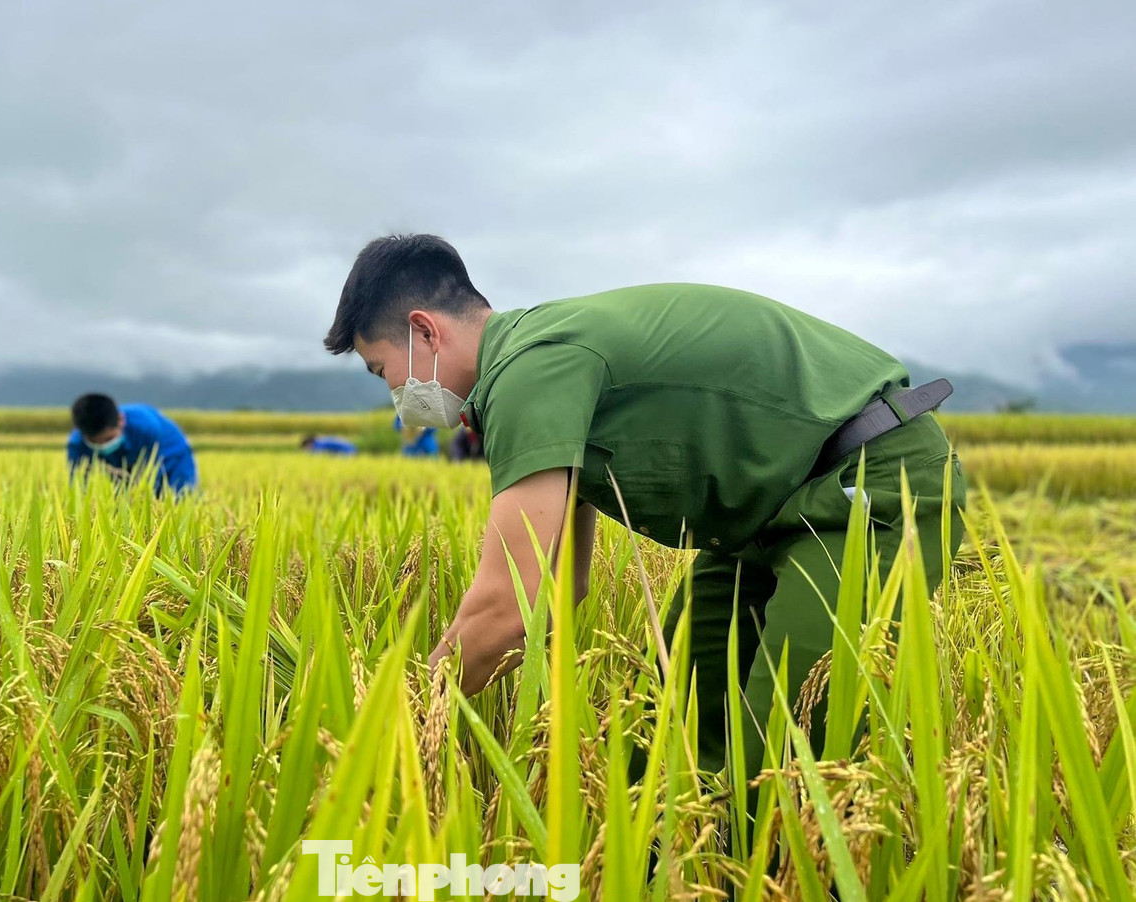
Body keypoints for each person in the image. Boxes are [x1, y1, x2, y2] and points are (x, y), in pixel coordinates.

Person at [323, 233, 966, 776]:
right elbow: (559, 589)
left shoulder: (532, 369)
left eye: (383, 371)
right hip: (766, 514)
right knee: (669, 729)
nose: (396, 397)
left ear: (424, 331)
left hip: (869, 478)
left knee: (782, 749)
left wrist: (400, 725)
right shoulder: (527, 370)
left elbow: (507, 605)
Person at [67, 394, 197, 496]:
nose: (103, 446)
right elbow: (78, 485)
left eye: (109, 439)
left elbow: (151, 474)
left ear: (121, 421)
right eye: (96, 442)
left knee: (179, 494)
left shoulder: (145, 428)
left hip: (170, 454)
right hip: (127, 458)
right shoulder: (76, 444)